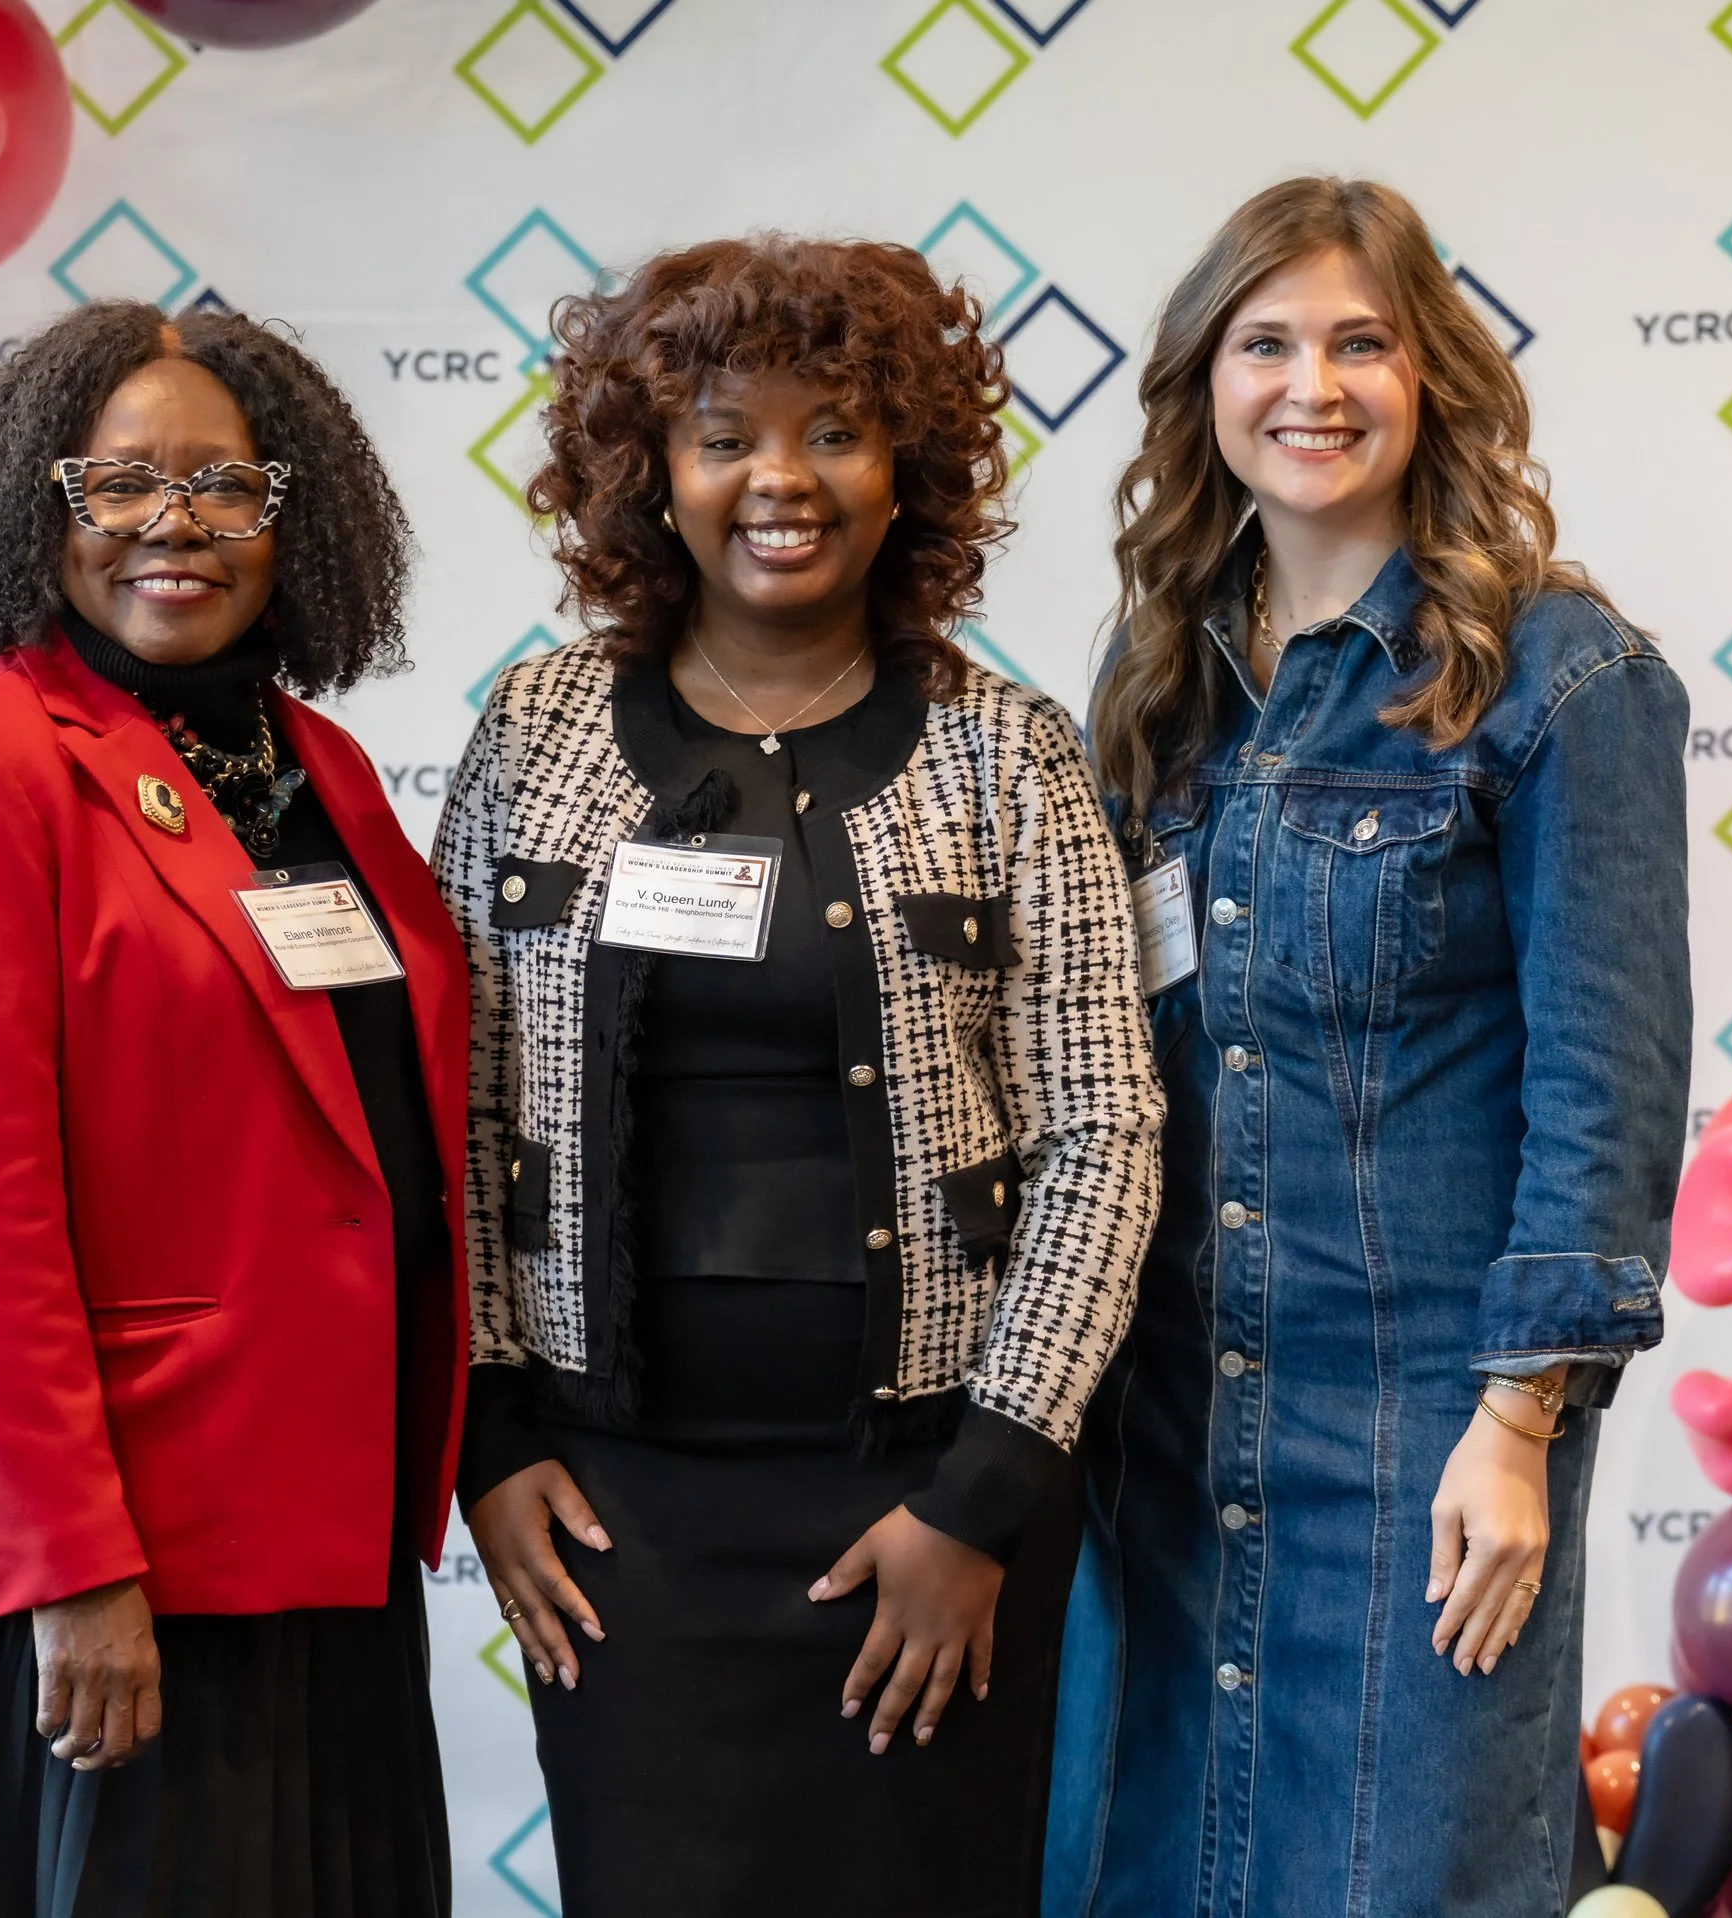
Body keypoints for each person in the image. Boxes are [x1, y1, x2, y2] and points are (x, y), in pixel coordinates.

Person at [433, 236, 1162, 1918]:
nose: (780, 477)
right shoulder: (534, 732)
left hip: (928, 1508)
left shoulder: (1009, 748)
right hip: (621, 1529)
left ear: (908, 462)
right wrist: (488, 1435)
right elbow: (459, 1111)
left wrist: (982, 1497)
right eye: (721, 433)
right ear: (650, 475)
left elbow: (1102, 1132)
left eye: (834, 428)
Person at [1046, 177, 1692, 1918]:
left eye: (1359, 342)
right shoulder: (1156, 675)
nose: (1309, 385)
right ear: (1205, 385)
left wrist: (1520, 1414)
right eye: (1265, 343)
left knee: (1407, 1879)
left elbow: (1606, 1083)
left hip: (1433, 1425)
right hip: (1176, 1420)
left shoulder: (1557, 674)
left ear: (1431, 380)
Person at [0, 302, 466, 1918]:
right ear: (37, 513)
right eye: (117, 484)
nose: (173, 524)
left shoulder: (318, 766)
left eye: (225, 485)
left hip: (315, 1537)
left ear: (289, 516)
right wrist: (72, 1568)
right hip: (109, 1566)